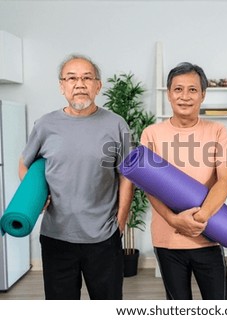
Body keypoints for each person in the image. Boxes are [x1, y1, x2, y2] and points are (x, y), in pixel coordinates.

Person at [18, 54, 134, 300]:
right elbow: (24, 164)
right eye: (71, 78)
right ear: (62, 86)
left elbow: (127, 175)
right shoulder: (45, 125)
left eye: (87, 78)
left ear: (98, 85)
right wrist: (34, 200)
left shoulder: (116, 124)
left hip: (103, 237)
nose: (79, 84)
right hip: (56, 236)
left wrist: (120, 221)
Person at [140, 62, 227, 300]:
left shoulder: (217, 131)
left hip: (209, 235)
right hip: (167, 239)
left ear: (203, 94)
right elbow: (148, 186)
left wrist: (199, 219)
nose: (185, 96)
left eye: (192, 90)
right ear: (169, 93)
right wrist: (174, 220)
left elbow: (225, 180)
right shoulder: (151, 133)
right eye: (178, 89)